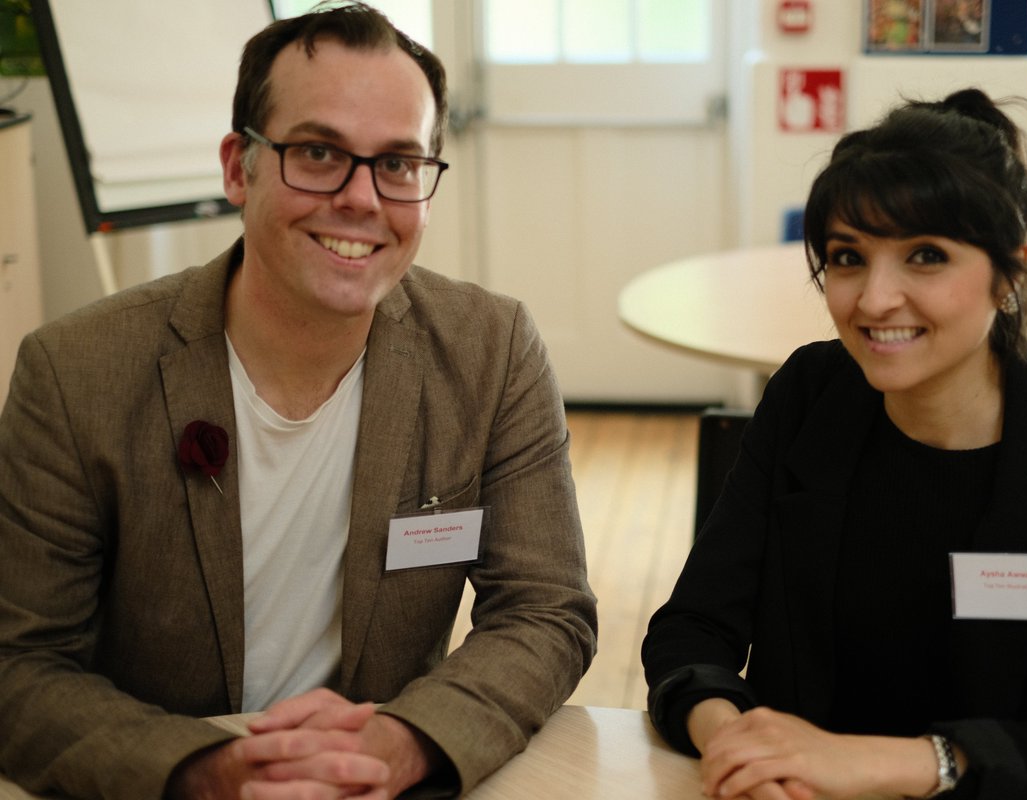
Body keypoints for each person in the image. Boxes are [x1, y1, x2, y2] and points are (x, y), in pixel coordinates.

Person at [0, 3, 597, 799]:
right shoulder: (75, 373)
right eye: (318, 152)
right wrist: (205, 772)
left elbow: (546, 612)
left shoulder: (493, 352)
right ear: (237, 169)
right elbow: (18, 665)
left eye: (398, 164)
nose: (361, 198)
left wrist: (403, 743)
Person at [641, 88, 1027, 800]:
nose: (873, 299)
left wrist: (885, 763)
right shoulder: (812, 393)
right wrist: (739, 744)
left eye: (926, 256)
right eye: (847, 257)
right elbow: (692, 630)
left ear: (1010, 273)